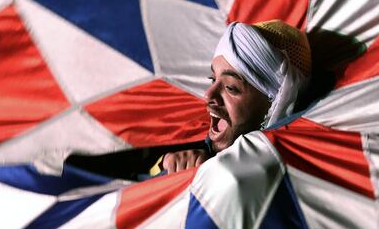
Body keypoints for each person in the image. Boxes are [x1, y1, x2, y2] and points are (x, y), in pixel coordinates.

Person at [65, 20, 311, 179]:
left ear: (276, 102)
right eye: (211, 79)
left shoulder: (288, 174)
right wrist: (165, 166)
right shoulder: (200, 147)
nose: (208, 95)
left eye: (231, 87)